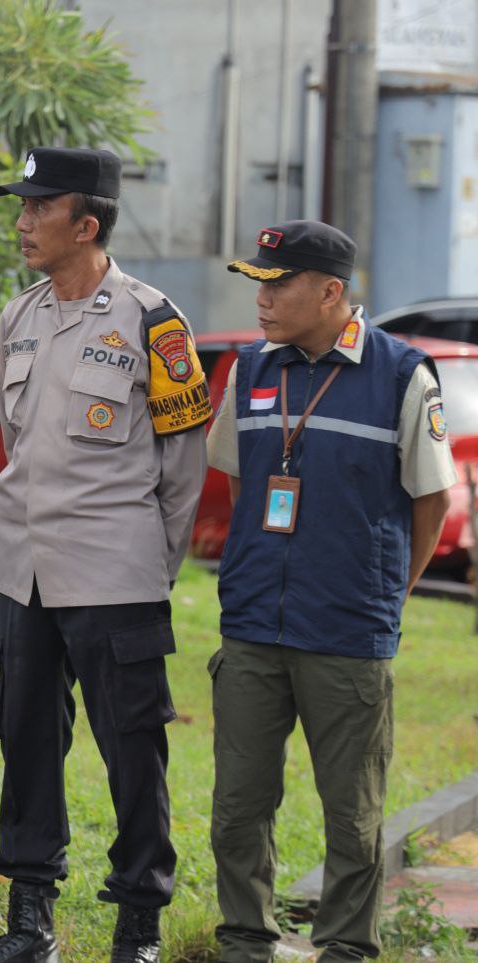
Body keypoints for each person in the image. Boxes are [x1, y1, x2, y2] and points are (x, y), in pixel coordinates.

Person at [0, 148, 211, 963]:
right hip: (25, 571)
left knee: (132, 747)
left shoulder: (155, 320)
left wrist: (150, 563)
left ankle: (139, 920)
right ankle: (30, 917)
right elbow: (18, 444)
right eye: (23, 206)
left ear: (87, 223)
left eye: (40, 208)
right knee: (26, 738)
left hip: (116, 571)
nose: (23, 222)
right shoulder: (20, 316)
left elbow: (183, 466)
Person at [207, 221, 454, 963]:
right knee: (238, 806)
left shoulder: (401, 374)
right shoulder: (251, 370)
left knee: (352, 814)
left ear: (331, 292)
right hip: (253, 625)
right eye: (260, 282)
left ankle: (346, 946)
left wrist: (384, 594)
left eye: (279, 284)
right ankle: (247, 939)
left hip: (347, 631)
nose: (264, 297)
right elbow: (237, 475)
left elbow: (432, 501)